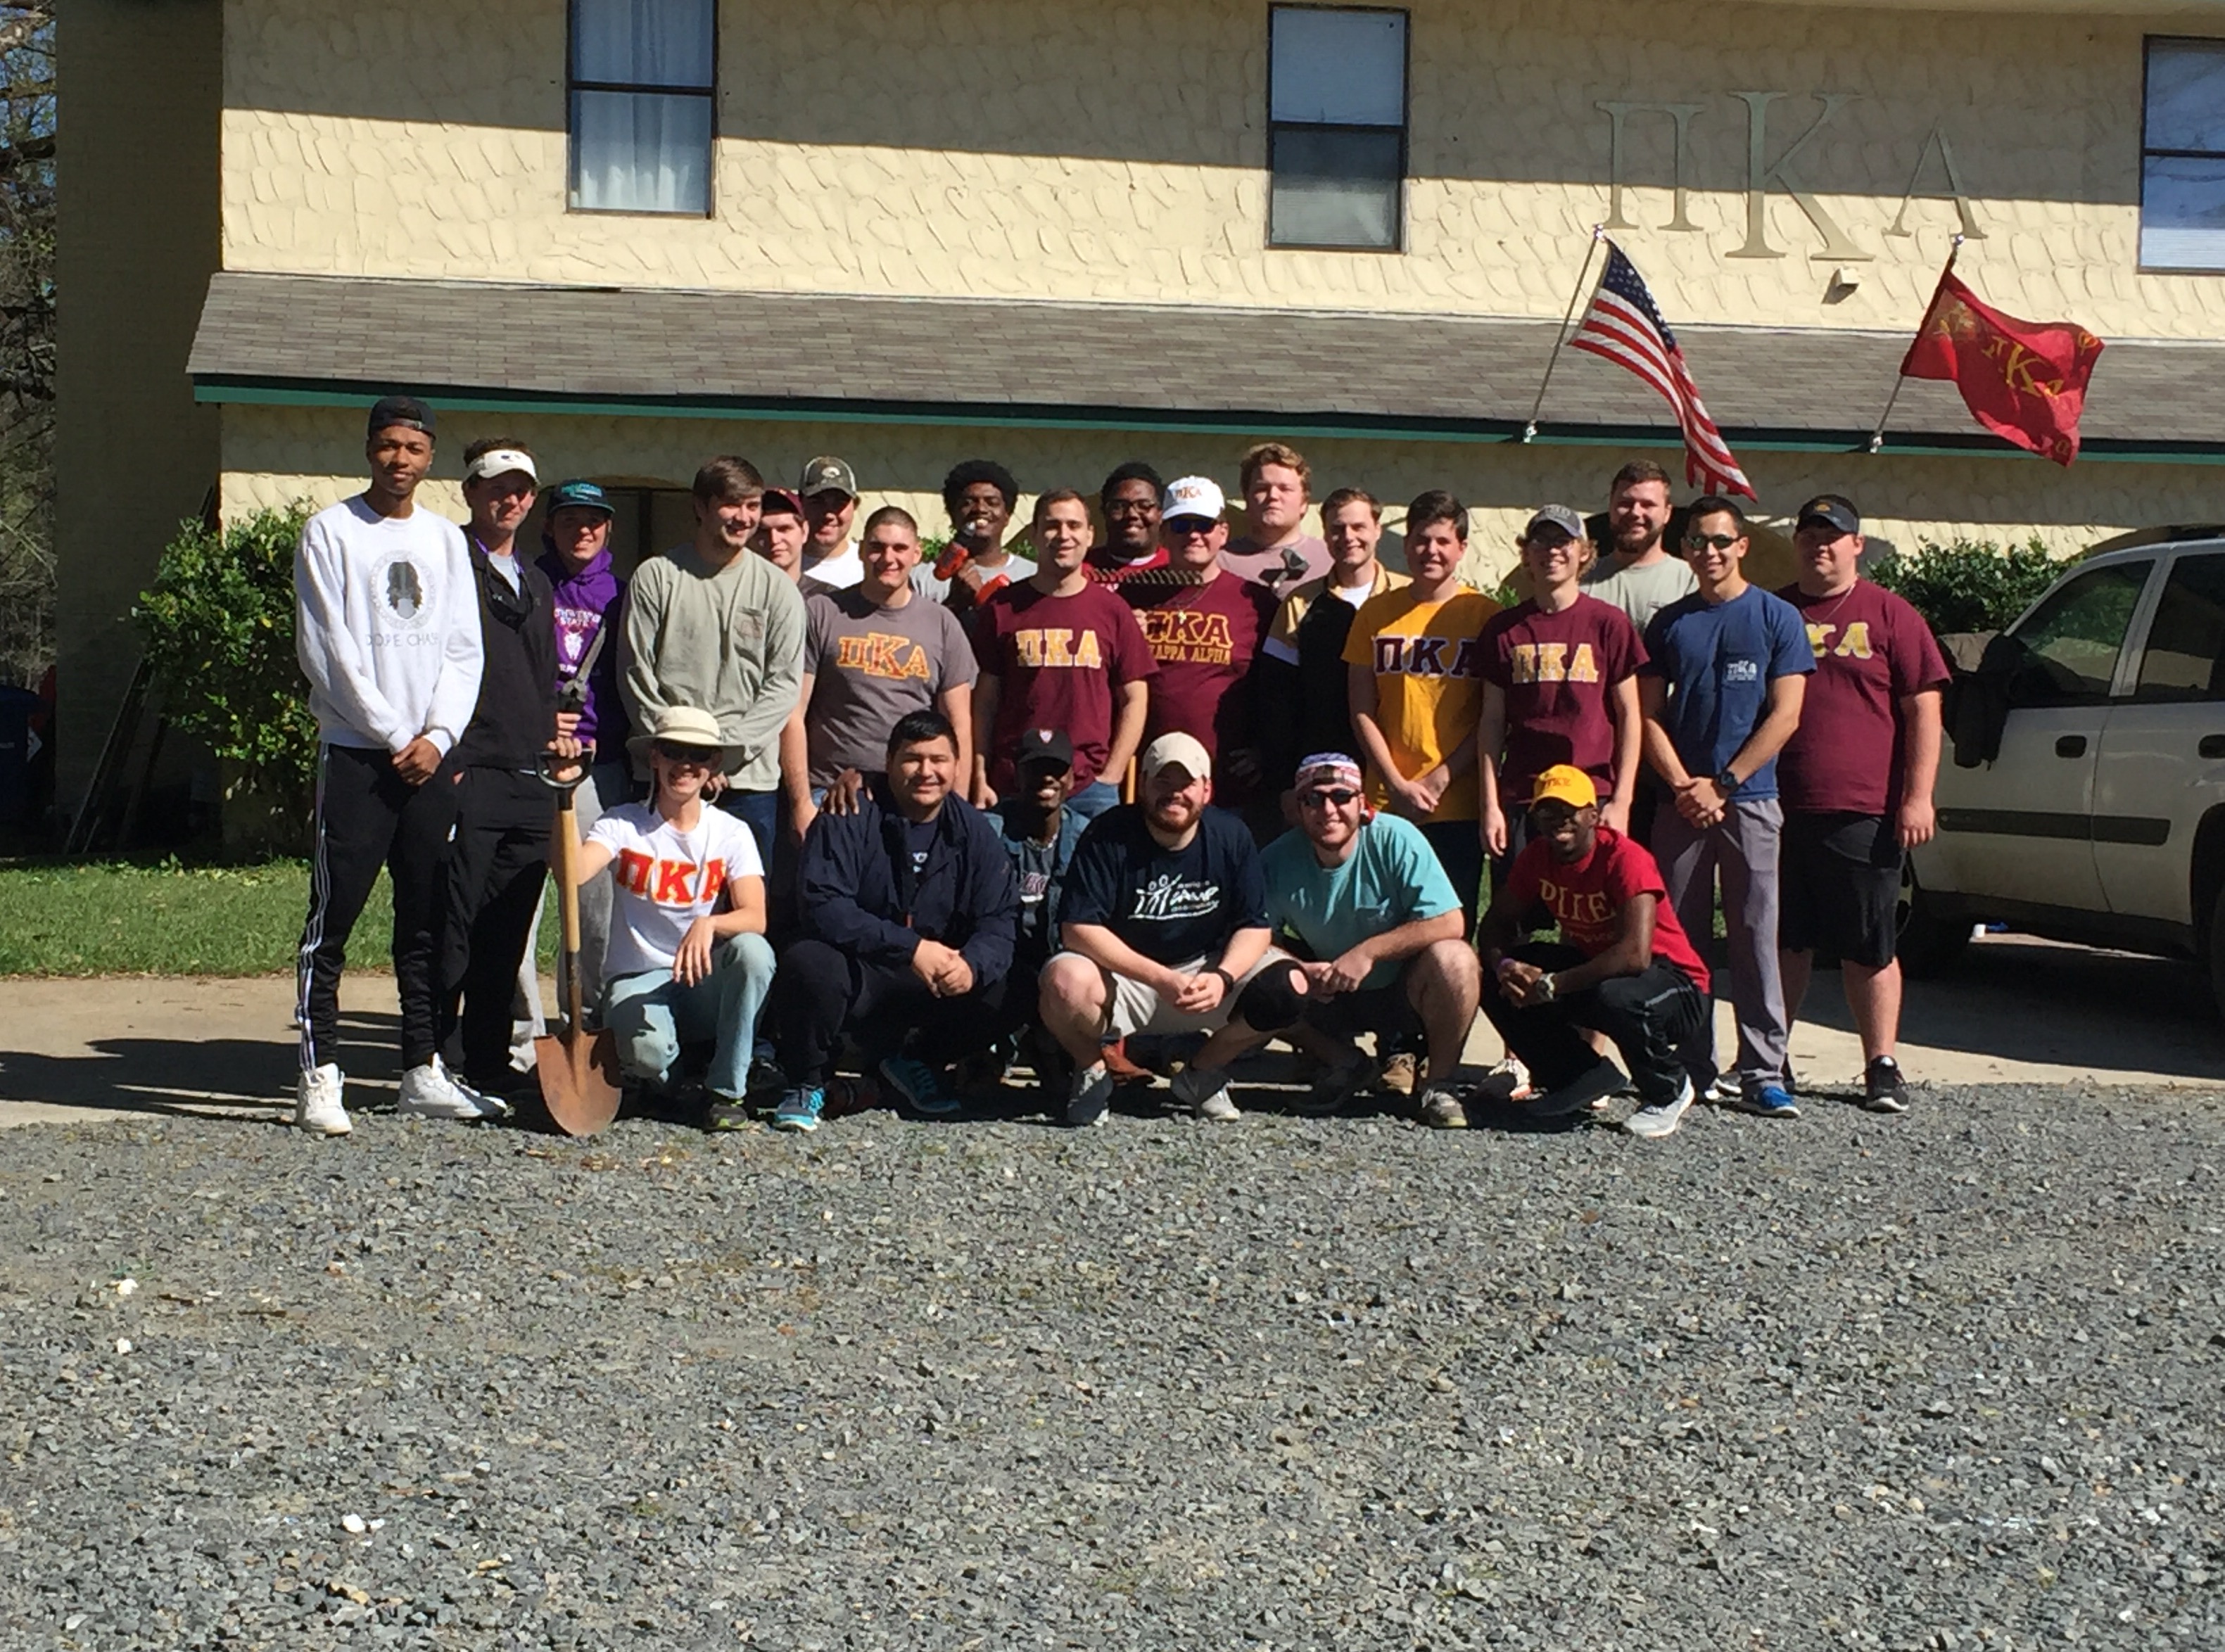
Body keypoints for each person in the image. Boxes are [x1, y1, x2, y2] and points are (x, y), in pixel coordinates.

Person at [291, 394, 490, 1136]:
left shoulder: (444, 541)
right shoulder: (331, 533)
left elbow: (464, 649)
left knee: (426, 920)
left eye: (412, 447)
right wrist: (393, 731)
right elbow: (328, 649)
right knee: (333, 918)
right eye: (387, 445)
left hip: (429, 759)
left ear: (429, 456)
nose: (398, 459)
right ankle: (320, 1073)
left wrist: (437, 735)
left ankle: (420, 1066)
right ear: (368, 448)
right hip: (358, 757)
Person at [1639, 494, 1815, 1118]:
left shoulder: (1776, 618)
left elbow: (1786, 714)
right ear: (1684, 548)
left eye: (1720, 541)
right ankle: (1690, 1065)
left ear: (1741, 546)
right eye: (1697, 542)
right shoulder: (1669, 624)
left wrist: (1727, 783)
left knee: (1754, 934)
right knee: (1681, 942)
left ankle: (1763, 1071)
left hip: (1752, 801)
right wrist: (1686, 783)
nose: (1708, 553)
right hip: (1680, 803)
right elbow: (1648, 715)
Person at [1775, 493, 1949, 1115]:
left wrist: (1918, 797)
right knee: (1783, 939)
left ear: (1858, 546)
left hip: (1864, 809)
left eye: (1833, 535)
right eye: (1810, 534)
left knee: (1868, 942)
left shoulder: (1891, 615)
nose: (1820, 544)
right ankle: (1771, 1059)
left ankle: (1881, 1064)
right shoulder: (1772, 612)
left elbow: (1924, 709)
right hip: (1777, 807)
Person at [767, 709, 1020, 1131]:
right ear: (888, 763)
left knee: (1017, 983)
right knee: (808, 962)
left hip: (932, 980)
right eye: (913, 759)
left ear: (956, 766)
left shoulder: (973, 831)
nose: (927, 771)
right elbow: (823, 904)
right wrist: (911, 948)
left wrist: (973, 964)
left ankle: (916, 1063)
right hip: (862, 969)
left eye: (939, 760)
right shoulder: (849, 810)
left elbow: (999, 918)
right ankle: (806, 1081)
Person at [1040, 732, 1293, 1126]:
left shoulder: (1231, 835)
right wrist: (1159, 979)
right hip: (1126, 979)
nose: (1174, 794)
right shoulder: (1108, 834)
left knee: (1289, 987)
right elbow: (1078, 928)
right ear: (1142, 784)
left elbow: (1255, 927)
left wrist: (1223, 977)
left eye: (1187, 784)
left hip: (1204, 974)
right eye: (1162, 782)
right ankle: (1092, 1070)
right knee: (1062, 981)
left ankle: (1203, 1074)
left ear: (1207, 789)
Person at [1238, 752, 1479, 1126]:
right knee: (1249, 971)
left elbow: (1451, 921)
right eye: (1314, 799)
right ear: (1297, 808)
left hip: (1401, 990)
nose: (1329, 810)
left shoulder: (1398, 838)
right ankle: (1343, 1061)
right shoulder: (1275, 860)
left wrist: (1368, 953)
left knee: (1457, 960)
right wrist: (1298, 969)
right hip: (1326, 993)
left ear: (1362, 803)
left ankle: (1439, 1085)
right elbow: (1251, 939)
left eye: (1341, 796)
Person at [440, 439, 575, 1102]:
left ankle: (489, 1062)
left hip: (529, 777)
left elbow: (545, 680)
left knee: (507, 931)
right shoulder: (448, 563)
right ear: (469, 490)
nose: (512, 498)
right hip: (471, 770)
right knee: (453, 925)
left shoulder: (535, 579)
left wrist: (552, 746)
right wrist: (454, 759)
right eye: (498, 486)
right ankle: (433, 1056)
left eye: (523, 488)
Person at [1477, 765, 1713, 1136]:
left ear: (1592, 814)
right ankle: (1579, 1078)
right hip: (1603, 972)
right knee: (1490, 976)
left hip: (1678, 984)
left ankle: (1669, 1090)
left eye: (1569, 811)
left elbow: (1635, 954)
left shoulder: (1624, 858)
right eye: (1547, 812)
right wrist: (1505, 965)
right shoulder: (1538, 857)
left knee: (1616, 996)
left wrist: (1553, 985)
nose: (1559, 822)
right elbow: (1495, 923)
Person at [574, 706, 776, 1131]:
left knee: (753, 953)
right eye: (673, 751)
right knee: (647, 1054)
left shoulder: (731, 832)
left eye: (699, 755)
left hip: (702, 977)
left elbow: (756, 917)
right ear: (654, 758)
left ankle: (727, 1090)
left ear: (713, 766)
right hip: (637, 979)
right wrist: (560, 794)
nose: (685, 765)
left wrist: (710, 924)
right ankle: (677, 1078)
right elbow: (571, 872)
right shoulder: (622, 824)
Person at [619, 455, 807, 864]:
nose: (744, 517)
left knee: (743, 914)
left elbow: (782, 687)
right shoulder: (657, 577)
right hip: (668, 775)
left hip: (747, 782)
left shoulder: (778, 590)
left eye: (752, 506)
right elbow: (636, 675)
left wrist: (724, 753)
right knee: (657, 904)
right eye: (731, 504)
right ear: (701, 507)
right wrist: (688, 755)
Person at [1343, 489, 1500, 933]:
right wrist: (1395, 781)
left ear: (1462, 549)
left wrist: (1441, 777)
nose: (1430, 551)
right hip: (1384, 801)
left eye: (1443, 541)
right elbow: (1361, 708)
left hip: (1456, 803)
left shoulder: (1484, 615)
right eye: (1421, 540)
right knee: (1384, 925)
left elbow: (1492, 715)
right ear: (1407, 542)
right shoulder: (1376, 614)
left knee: (1450, 927)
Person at [782, 505, 977, 839]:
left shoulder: (942, 624)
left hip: (914, 795)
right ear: (861, 550)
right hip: (831, 795)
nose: (888, 558)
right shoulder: (823, 612)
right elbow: (793, 712)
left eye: (900, 548)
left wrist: (955, 807)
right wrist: (802, 803)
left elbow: (959, 724)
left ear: (917, 554)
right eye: (877, 547)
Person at [970, 489, 1158, 822]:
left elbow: (1135, 698)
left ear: (1090, 535)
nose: (1063, 535)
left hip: (1089, 788)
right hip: (1014, 782)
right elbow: (985, 702)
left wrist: (1111, 775)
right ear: (1035, 535)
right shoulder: (1003, 608)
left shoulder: (1113, 611)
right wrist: (981, 774)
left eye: (1074, 525)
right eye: (1052, 526)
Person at [1478, 504, 1647, 867]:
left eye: (1563, 541)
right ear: (1526, 551)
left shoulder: (1608, 624)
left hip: (1591, 796)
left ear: (1583, 552)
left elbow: (1630, 715)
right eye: (1541, 540)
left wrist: (1622, 800)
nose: (1552, 550)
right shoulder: (1504, 629)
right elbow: (1492, 722)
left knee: (1592, 916)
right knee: (1517, 913)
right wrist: (1491, 805)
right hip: (1525, 795)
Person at [536, 479, 633, 1014]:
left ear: (608, 528)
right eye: (571, 520)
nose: (584, 530)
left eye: (594, 520)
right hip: (534, 756)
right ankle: (521, 1033)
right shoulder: (529, 584)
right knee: (522, 902)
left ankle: (588, 1017)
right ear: (550, 527)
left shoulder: (622, 595)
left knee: (596, 903)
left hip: (601, 762)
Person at [1119, 476, 1274, 794]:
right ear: (1163, 533)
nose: (1193, 535)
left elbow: (1277, 689)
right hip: (1147, 776)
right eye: (1181, 525)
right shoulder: (1132, 594)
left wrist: (1265, 749)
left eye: (1204, 525)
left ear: (1223, 532)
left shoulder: (1256, 601)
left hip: (1226, 781)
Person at [1259, 487, 1409, 796]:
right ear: (1325, 536)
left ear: (1378, 530)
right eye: (1337, 529)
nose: (1348, 537)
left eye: (1358, 527)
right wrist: (1286, 782)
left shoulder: (1407, 597)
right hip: (1323, 774)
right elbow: (1276, 699)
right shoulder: (1299, 603)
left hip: (1400, 773)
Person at [1582, 459, 1695, 630]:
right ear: (1611, 508)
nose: (1635, 513)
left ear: (1667, 513)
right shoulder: (1581, 580)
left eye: (1648, 505)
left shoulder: (1690, 582)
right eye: (1625, 504)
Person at [1222, 441, 1329, 595]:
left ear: (1304, 503)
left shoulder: (1330, 561)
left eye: (1285, 489)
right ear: (1247, 498)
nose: (1273, 496)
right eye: (1262, 489)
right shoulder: (1221, 563)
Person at [933, 459, 1032, 618]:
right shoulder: (921, 578)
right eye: (968, 503)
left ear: (1007, 515)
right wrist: (955, 603)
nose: (980, 509)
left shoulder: (1033, 576)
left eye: (992, 503)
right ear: (953, 515)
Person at [1087, 461, 1167, 582]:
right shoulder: (1081, 570)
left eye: (1144, 505)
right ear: (1104, 512)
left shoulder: (1178, 568)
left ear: (1161, 513)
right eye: (1120, 506)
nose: (1132, 514)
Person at [797, 455, 863, 591]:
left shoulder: (869, 567)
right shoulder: (783, 563)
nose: (828, 514)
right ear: (800, 503)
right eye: (817, 502)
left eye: (839, 503)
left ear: (855, 505)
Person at [751, 487, 810, 583]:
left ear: (805, 531)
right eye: (763, 531)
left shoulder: (826, 596)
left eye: (784, 529)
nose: (774, 540)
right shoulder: (737, 595)